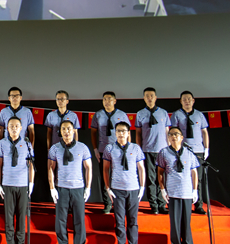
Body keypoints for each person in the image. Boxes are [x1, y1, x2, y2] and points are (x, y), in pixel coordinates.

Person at [48, 120, 92, 244]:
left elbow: (88, 167)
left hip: (78, 188)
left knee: (79, 220)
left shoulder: (82, 147)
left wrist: (88, 187)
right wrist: (52, 188)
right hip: (61, 188)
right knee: (61, 220)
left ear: (73, 131)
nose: (66, 131)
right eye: (63, 129)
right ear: (60, 132)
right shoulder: (55, 148)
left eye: (68, 129)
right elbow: (50, 168)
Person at [103, 122, 145, 244]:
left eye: (123, 131)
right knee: (120, 221)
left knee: (133, 221)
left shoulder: (136, 148)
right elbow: (105, 169)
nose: (121, 133)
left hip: (133, 188)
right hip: (117, 189)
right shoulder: (110, 148)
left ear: (128, 133)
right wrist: (108, 188)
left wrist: (142, 187)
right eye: (118, 131)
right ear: (115, 133)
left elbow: (141, 168)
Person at [157, 127, 200, 244]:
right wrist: (163, 189)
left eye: (176, 134)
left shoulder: (189, 153)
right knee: (175, 223)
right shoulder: (164, 152)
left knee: (186, 223)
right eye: (171, 134)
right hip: (173, 192)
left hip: (187, 192)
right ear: (168, 138)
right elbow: (160, 172)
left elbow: (194, 172)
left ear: (182, 137)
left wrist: (195, 190)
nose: (173, 136)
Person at [0, 116, 34, 244]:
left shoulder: (27, 144)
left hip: (23, 184)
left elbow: (31, 165)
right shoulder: (1, 143)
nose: (14, 129)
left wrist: (31, 183)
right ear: (7, 128)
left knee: (21, 217)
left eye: (16, 126)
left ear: (21, 128)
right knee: (9, 217)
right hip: (8, 184)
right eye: (11, 126)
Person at [170, 91, 210, 215]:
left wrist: (206, 148)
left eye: (189, 99)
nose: (187, 101)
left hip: (198, 151)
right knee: (183, 177)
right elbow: (173, 132)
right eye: (184, 99)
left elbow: (204, 132)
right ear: (180, 101)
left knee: (198, 178)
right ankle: (183, 204)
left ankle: (199, 205)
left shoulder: (199, 115)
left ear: (193, 100)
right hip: (183, 151)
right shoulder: (176, 115)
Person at [90, 91, 130, 214]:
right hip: (103, 150)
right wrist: (95, 149)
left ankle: (119, 204)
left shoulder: (122, 114)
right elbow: (93, 132)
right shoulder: (98, 115)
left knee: (119, 176)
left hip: (119, 150)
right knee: (105, 177)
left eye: (109, 99)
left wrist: (127, 149)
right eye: (104, 99)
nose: (107, 101)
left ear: (114, 101)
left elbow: (128, 133)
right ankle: (107, 203)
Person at [135, 87, 170, 215]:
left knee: (162, 178)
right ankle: (153, 204)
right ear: (144, 98)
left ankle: (162, 203)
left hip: (162, 150)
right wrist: (138, 149)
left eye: (152, 95)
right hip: (147, 150)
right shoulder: (140, 114)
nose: (149, 98)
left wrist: (169, 148)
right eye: (147, 96)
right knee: (150, 178)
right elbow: (138, 133)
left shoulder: (163, 113)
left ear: (156, 98)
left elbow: (167, 132)